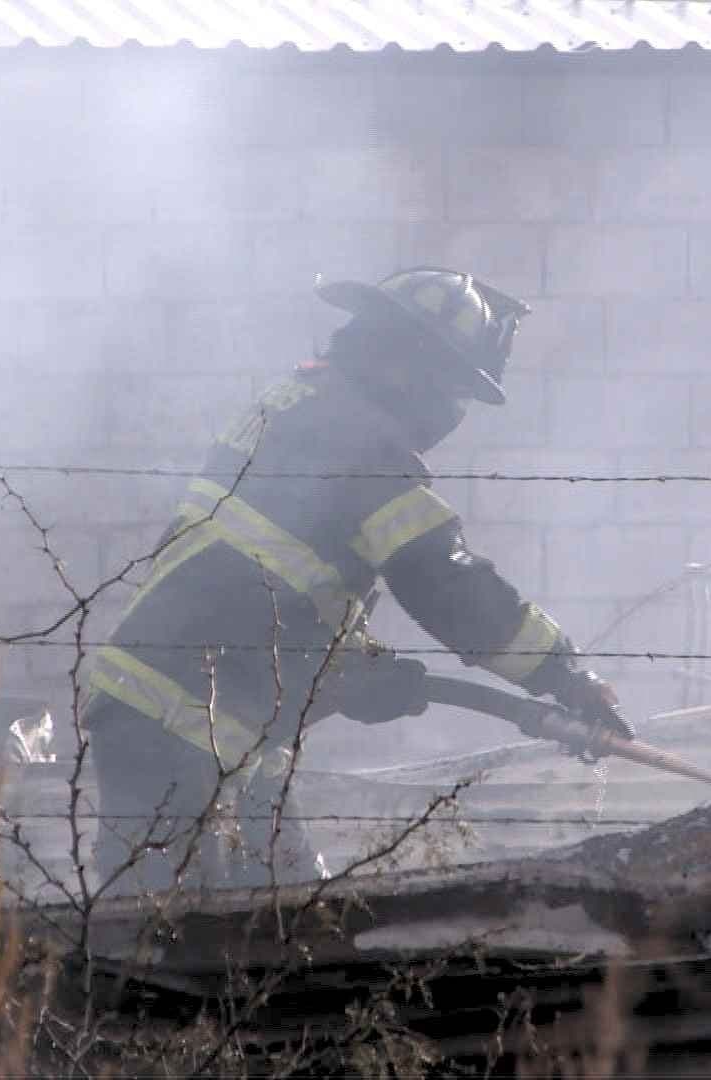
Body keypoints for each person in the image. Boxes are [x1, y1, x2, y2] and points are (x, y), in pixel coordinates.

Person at [80, 266, 635, 894]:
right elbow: (446, 586)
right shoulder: (366, 449)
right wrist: (564, 674)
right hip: (180, 718)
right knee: (160, 930)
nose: (451, 412)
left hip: (214, 721)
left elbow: (283, 575)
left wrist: (353, 668)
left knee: (283, 910)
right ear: (411, 365)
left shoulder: (298, 408)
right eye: (452, 389)